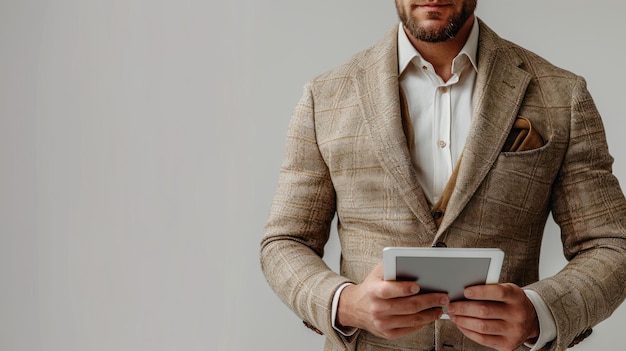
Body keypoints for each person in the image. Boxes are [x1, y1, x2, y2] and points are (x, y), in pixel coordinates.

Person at [260, 1, 626, 350]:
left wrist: (539, 312)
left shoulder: (562, 94)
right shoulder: (323, 98)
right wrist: (344, 303)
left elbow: (611, 244)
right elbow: (285, 242)